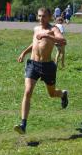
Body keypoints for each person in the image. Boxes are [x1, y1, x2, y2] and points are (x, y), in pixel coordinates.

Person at [14, 7, 68, 135]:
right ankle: (23, 125)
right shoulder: (36, 29)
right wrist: (24, 52)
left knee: (52, 93)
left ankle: (63, 94)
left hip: (47, 66)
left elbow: (63, 41)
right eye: (39, 16)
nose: (41, 19)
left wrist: (47, 35)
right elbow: (35, 43)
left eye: (43, 16)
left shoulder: (54, 29)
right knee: (27, 91)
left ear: (49, 17)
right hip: (33, 64)